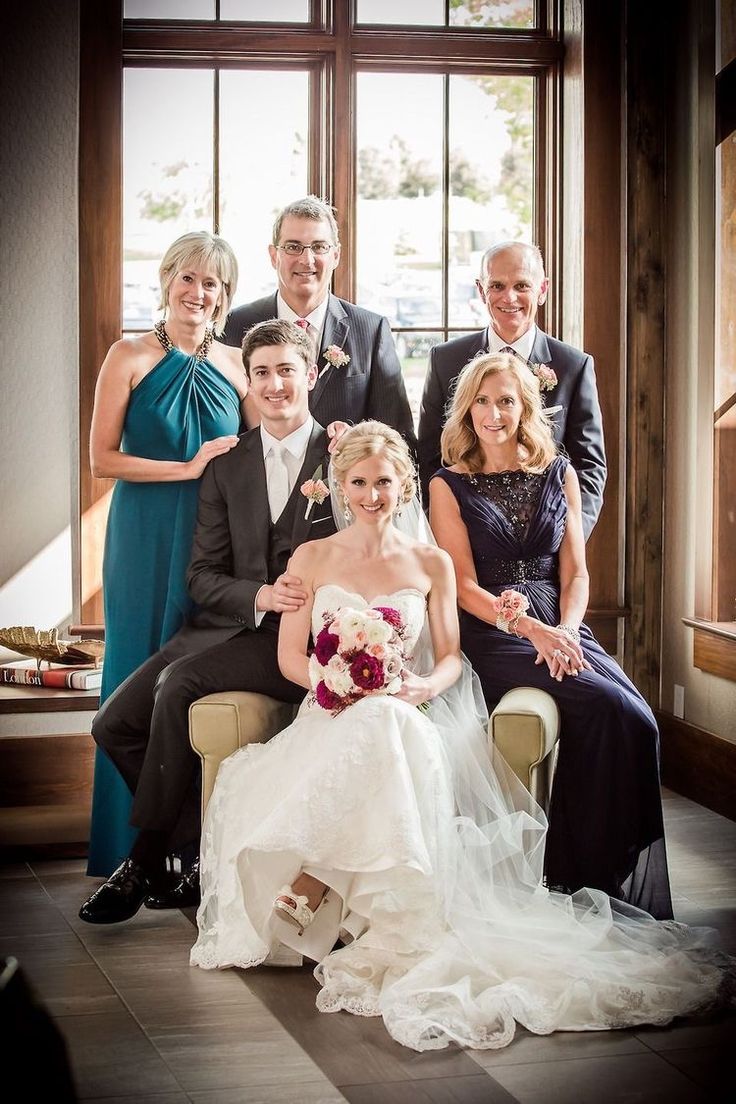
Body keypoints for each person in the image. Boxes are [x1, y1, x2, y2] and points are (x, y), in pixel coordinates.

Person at [190, 420, 729, 1053]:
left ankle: (321, 883)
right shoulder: (310, 558)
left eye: (383, 482)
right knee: (374, 721)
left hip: (404, 714)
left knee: (388, 719)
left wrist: (420, 688)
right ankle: (344, 888)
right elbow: (288, 657)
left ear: (404, 487)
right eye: (358, 482)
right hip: (329, 716)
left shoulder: (431, 563)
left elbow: (449, 657)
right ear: (340, 485)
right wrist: (329, 681)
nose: (370, 495)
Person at [78, 319, 337, 923]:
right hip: (227, 625)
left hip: (297, 643)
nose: (275, 385)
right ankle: (191, 848)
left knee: (179, 686)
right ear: (248, 383)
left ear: (312, 375)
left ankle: (142, 861)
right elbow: (202, 576)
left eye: (287, 370)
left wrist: (299, 605)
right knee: (112, 724)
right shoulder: (227, 465)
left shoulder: (343, 455)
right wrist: (257, 596)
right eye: (262, 373)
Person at [429, 351, 672, 918]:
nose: (494, 414)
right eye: (483, 402)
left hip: (560, 622)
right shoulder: (448, 484)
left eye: (506, 401)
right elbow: (462, 585)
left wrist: (565, 629)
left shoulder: (560, 470)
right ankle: (574, 875)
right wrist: (533, 631)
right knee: (607, 706)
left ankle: (596, 872)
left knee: (636, 719)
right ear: (467, 409)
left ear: (525, 407)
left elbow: (577, 573)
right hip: (494, 628)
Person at [87, 230, 251, 878]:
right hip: (143, 532)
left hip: (210, 542)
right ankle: (126, 849)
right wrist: (186, 469)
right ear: (166, 281)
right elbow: (102, 459)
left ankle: (184, 846)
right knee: (134, 667)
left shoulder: (239, 365)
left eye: (211, 283)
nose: (198, 292)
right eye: (188, 277)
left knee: (187, 682)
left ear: (225, 295)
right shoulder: (127, 354)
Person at [418, 241, 606, 538]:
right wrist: (447, 534)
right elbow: (428, 457)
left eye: (522, 285)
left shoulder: (573, 366)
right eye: (497, 286)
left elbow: (589, 466)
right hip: (466, 541)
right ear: (481, 291)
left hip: (548, 547)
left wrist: (565, 541)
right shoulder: (445, 361)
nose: (510, 297)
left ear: (542, 290)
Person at [222, 195, 417, 450]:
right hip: (256, 485)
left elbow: (396, 436)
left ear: (335, 255)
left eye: (319, 247)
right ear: (273, 255)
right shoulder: (235, 326)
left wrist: (357, 442)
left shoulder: (371, 330)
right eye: (293, 247)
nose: (307, 259)